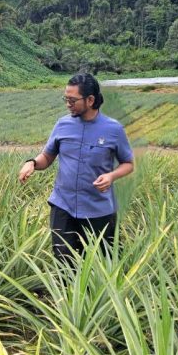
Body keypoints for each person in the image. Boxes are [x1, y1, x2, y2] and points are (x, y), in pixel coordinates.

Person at [18, 72, 134, 262]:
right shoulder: (62, 125)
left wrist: (111, 176)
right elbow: (47, 156)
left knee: (101, 264)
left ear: (90, 100)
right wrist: (32, 163)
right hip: (63, 205)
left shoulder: (113, 129)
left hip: (98, 209)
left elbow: (128, 164)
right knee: (64, 263)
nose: (67, 104)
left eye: (72, 100)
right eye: (66, 99)